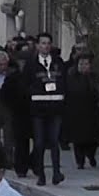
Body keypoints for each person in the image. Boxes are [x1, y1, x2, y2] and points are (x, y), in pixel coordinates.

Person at [24, 32, 67, 186]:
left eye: (48, 43)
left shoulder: (58, 62)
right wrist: (34, 92)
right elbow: (25, 83)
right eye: (43, 43)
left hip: (55, 108)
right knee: (39, 142)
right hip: (38, 109)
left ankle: (56, 172)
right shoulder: (31, 64)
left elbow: (64, 81)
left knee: (54, 141)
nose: (46, 46)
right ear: (37, 45)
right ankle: (41, 174)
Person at [63, 54, 99, 170]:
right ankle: (80, 161)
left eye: (86, 64)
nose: (83, 66)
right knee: (78, 140)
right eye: (81, 64)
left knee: (92, 139)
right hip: (77, 113)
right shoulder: (71, 77)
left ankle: (91, 156)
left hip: (92, 113)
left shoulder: (94, 78)